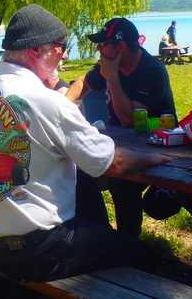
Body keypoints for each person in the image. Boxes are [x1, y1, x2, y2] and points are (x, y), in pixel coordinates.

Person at [0, 4, 171, 282]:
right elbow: (116, 164)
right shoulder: (46, 101)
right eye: (60, 46)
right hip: (36, 250)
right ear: (36, 50)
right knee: (146, 255)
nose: (65, 54)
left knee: (88, 205)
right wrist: (150, 158)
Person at [66, 17, 176, 237]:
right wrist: (63, 110)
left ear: (121, 47)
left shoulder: (151, 71)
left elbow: (130, 120)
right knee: (77, 172)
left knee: (121, 183)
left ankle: (128, 244)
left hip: (157, 147)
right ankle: (101, 234)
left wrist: (113, 77)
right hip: (119, 143)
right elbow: (82, 83)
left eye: (103, 44)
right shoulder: (107, 66)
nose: (98, 49)